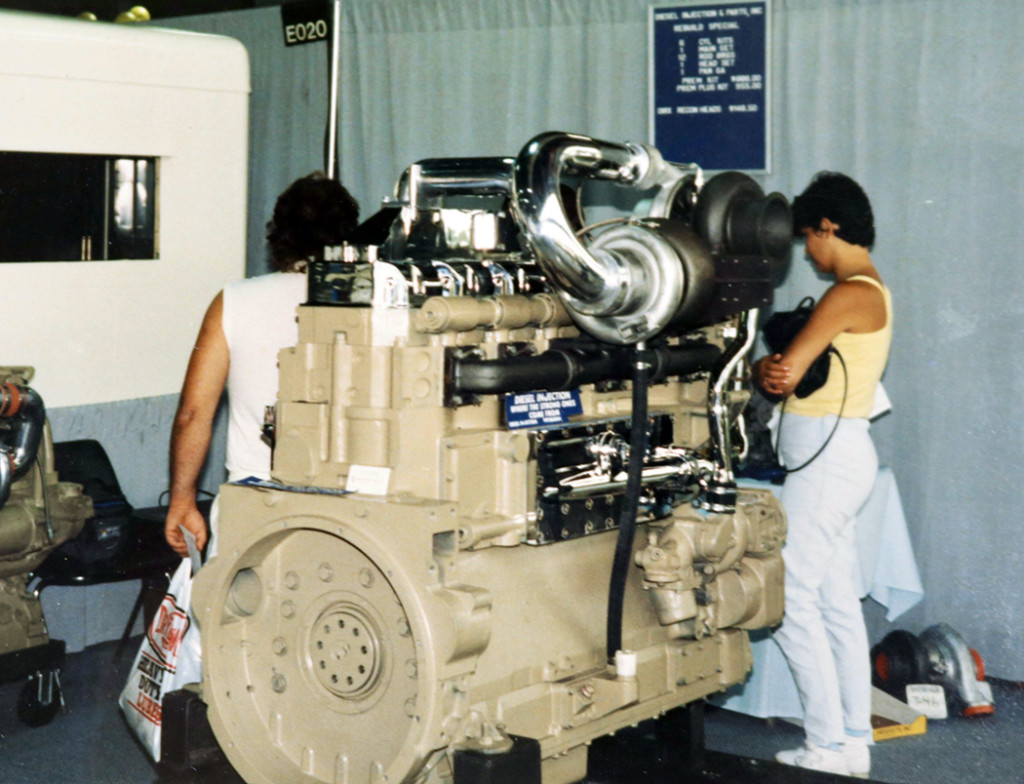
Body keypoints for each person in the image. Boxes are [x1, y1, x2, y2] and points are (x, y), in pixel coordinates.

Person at [753, 172, 891, 778]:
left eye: (809, 237)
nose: (807, 252)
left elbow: (784, 374)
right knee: (835, 604)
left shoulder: (848, 293)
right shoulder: (869, 291)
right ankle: (852, 742)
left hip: (828, 461)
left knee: (786, 598)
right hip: (838, 457)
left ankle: (826, 745)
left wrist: (761, 367)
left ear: (829, 227)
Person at [165, 173, 360, 557]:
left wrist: (182, 500)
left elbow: (192, 414)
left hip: (255, 504)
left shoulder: (234, 301)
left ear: (278, 234)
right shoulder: (376, 302)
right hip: (350, 506)